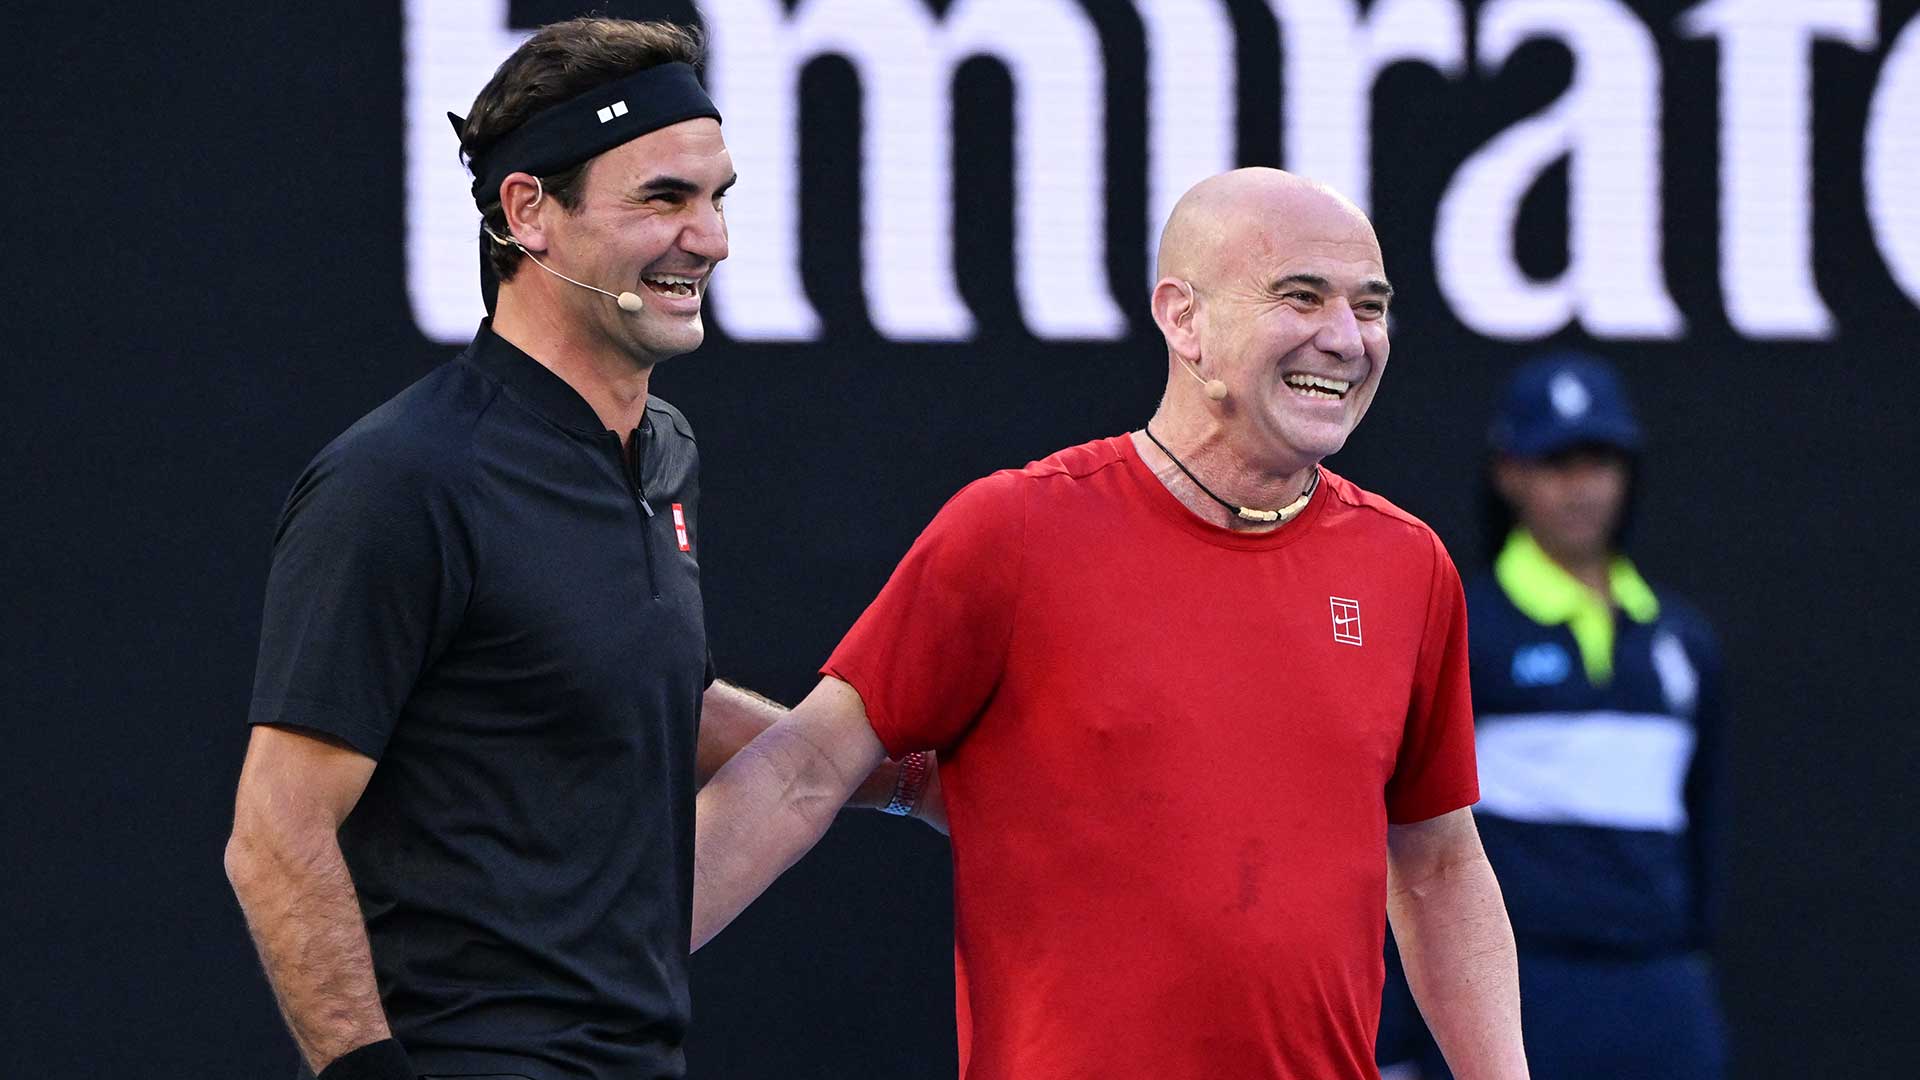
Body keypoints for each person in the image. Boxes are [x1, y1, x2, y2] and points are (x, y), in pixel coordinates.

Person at [692, 168, 1529, 1079]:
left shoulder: (1408, 567)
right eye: (1301, 297)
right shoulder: (1014, 531)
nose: (1346, 339)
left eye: (1370, 307)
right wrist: (604, 975)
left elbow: (1439, 865)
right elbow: (805, 770)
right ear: (1184, 318)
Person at [222, 19, 929, 1080]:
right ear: (529, 214)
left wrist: (898, 777)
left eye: (717, 198)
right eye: (662, 199)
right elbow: (276, 833)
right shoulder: (402, 479)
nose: (711, 240)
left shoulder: (664, 452)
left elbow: (642, 699)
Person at [1376, 353, 1728, 1079]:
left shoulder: (1683, 642)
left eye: (1598, 460)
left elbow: (1704, 832)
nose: (1580, 487)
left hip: (1657, 991)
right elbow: (1409, 845)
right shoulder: (1461, 626)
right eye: (1555, 461)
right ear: (1509, 473)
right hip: (1517, 989)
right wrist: (1398, 1042)